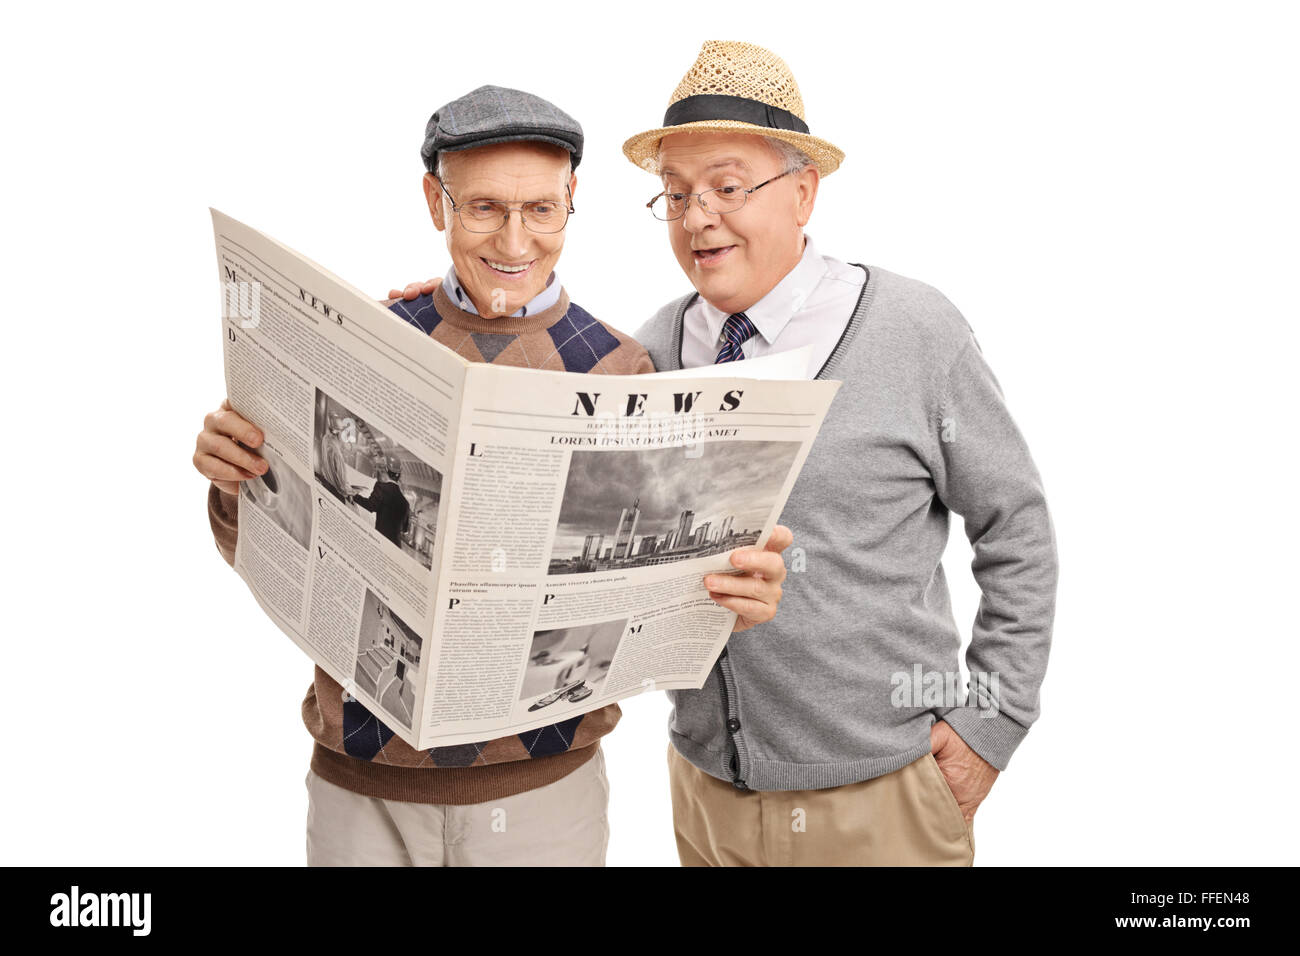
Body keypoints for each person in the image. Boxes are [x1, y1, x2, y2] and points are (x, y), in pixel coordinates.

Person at [396, 42, 1059, 867]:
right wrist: (435, 319)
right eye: (675, 195)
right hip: (707, 794)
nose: (698, 216)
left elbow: (1017, 528)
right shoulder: (651, 354)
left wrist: (990, 727)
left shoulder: (915, 331)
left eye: (729, 187)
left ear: (804, 191)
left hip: (886, 795)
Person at [193, 84, 792, 867]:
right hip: (362, 791)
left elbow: (653, 600)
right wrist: (232, 477)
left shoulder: (624, 369)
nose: (515, 240)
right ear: (435, 203)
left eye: (541, 209)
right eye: (483, 209)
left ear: (572, 201)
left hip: (546, 798)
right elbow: (258, 548)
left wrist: (727, 599)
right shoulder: (363, 339)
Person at [351, 455, 410, 546]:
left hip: (380, 542)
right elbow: (404, 530)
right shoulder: (406, 503)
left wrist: (354, 495)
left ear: (386, 469)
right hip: (396, 546)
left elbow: (371, 506)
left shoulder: (381, 487)